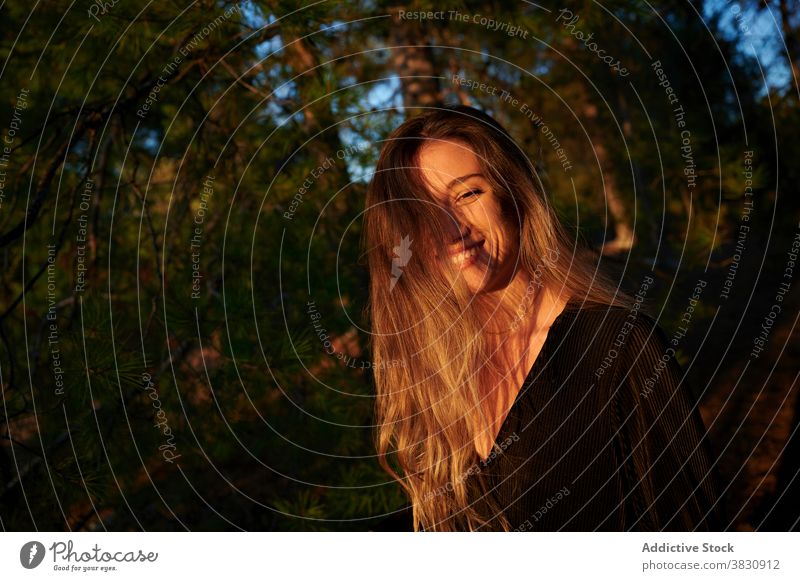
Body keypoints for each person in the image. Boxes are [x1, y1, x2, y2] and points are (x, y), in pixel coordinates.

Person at [363, 105, 725, 532]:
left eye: (468, 194)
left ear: (514, 194)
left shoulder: (617, 345)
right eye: (423, 211)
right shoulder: (435, 370)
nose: (450, 228)